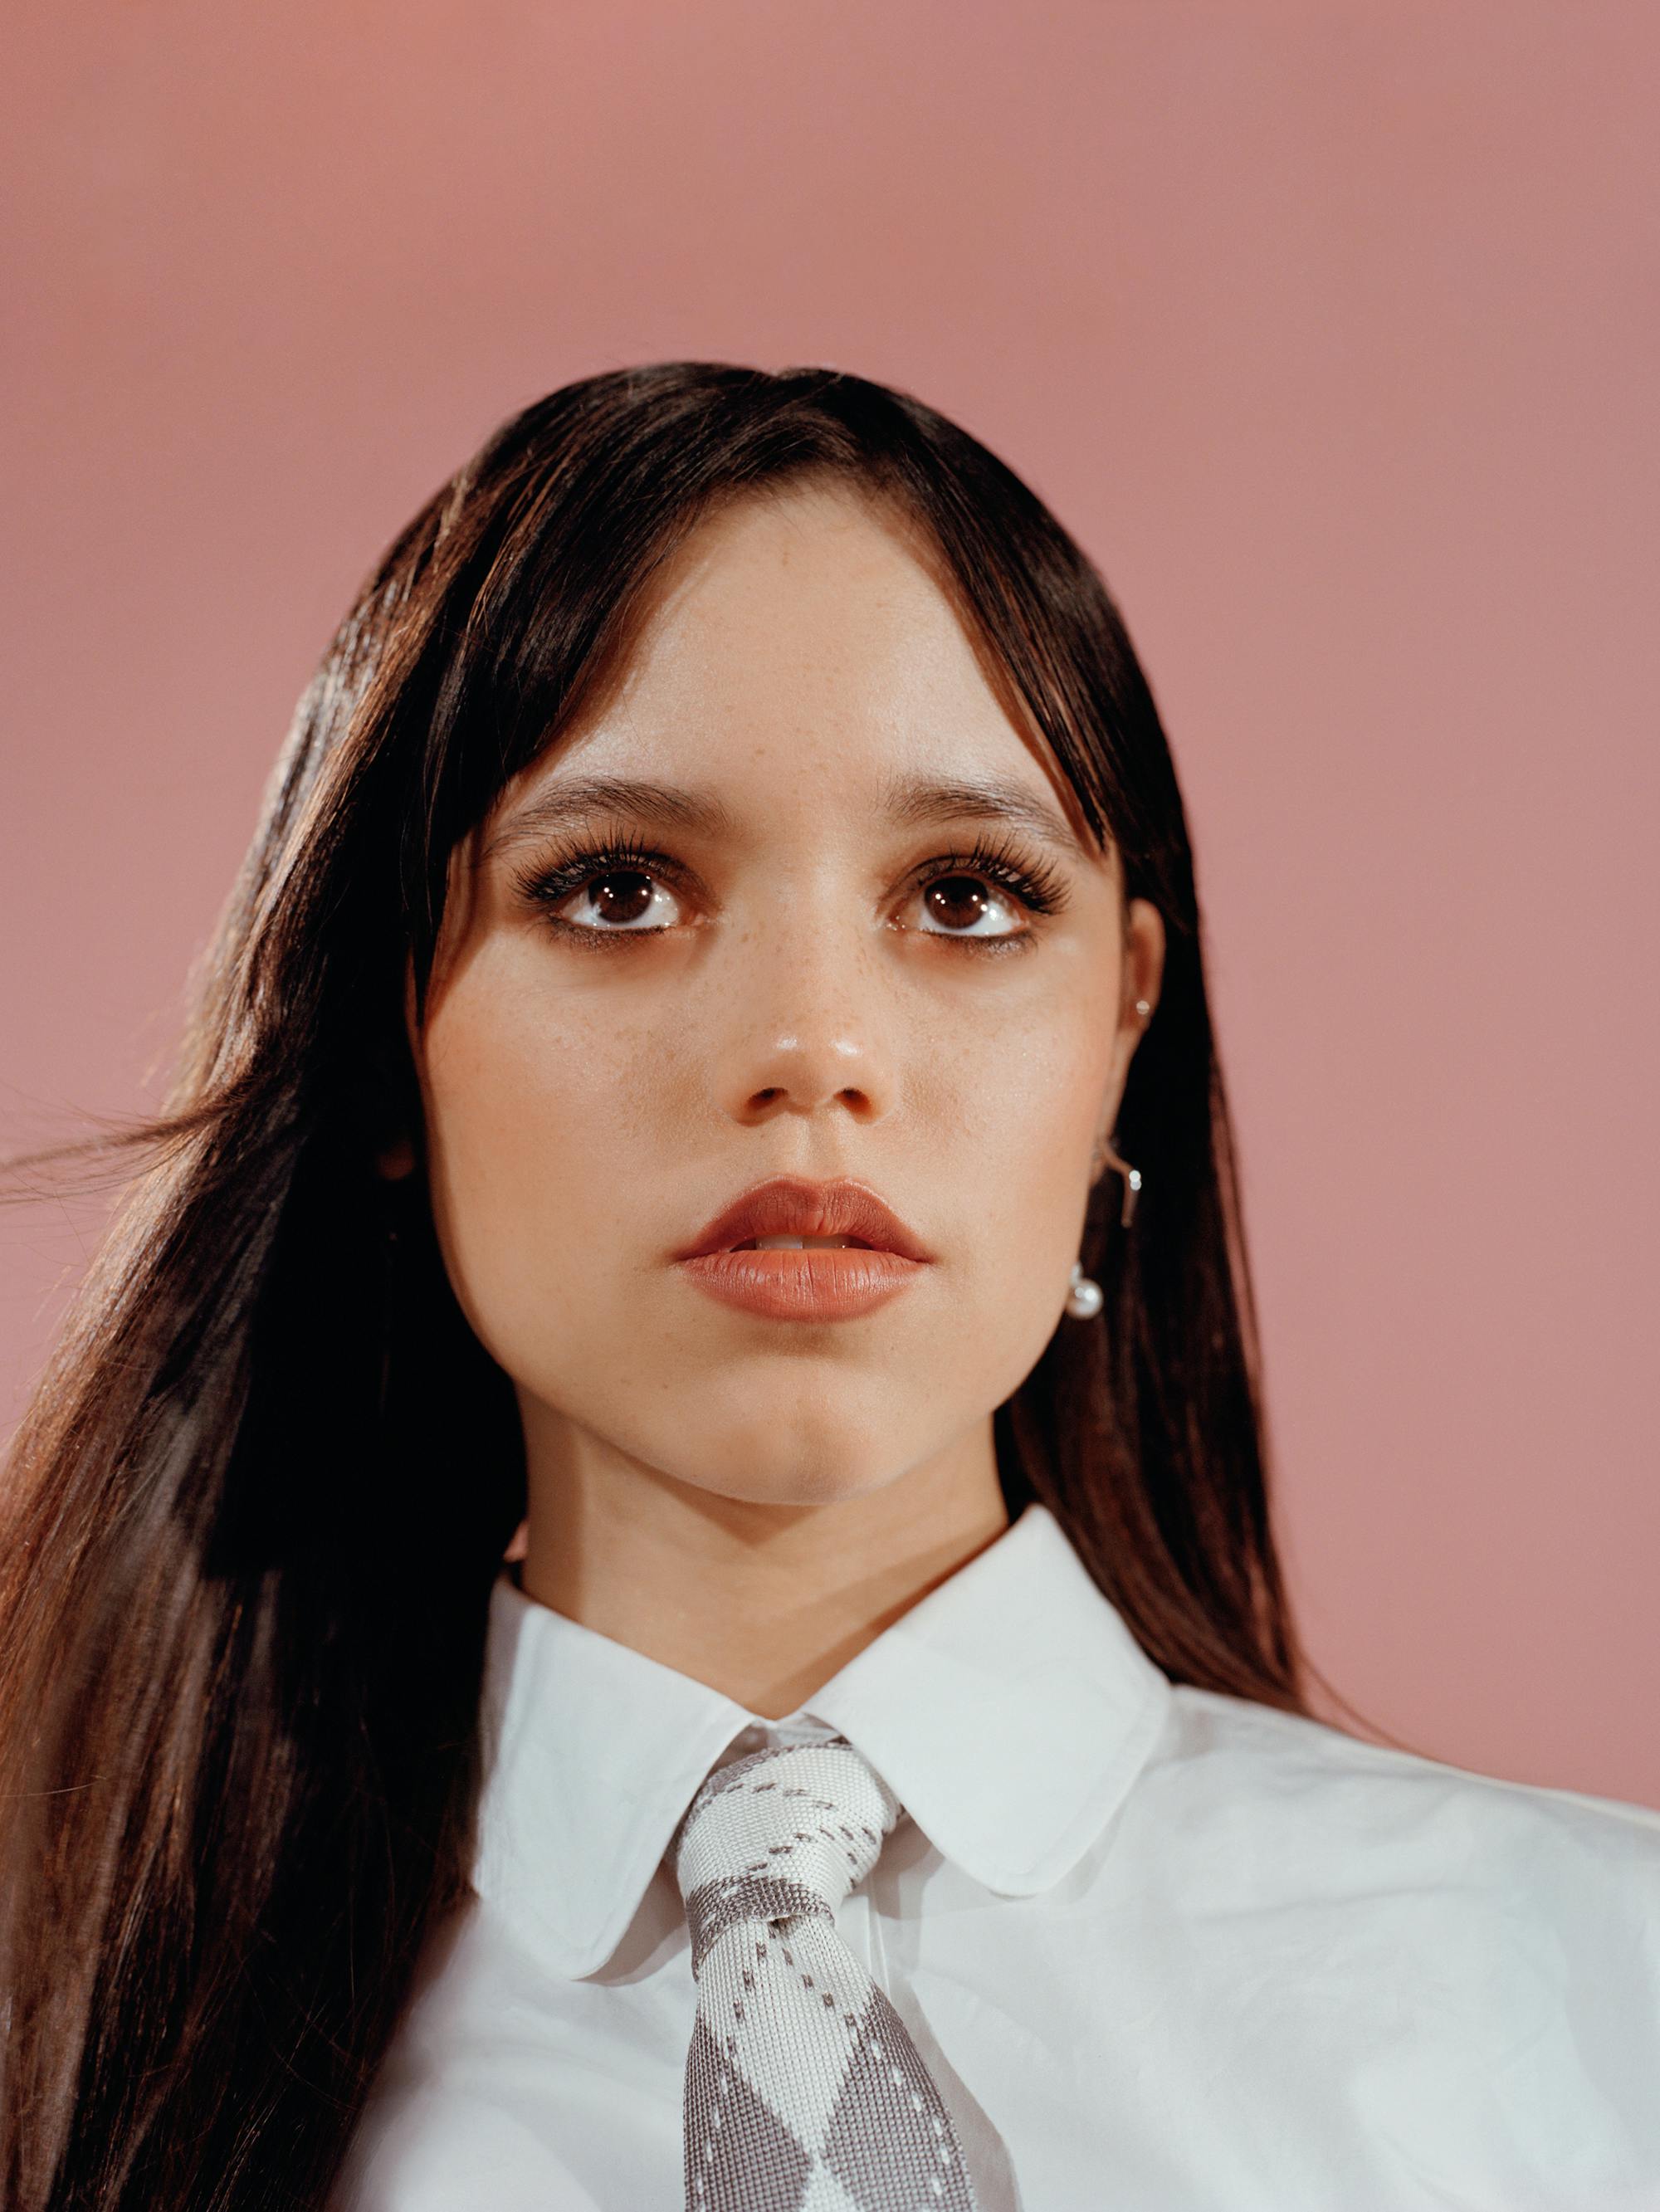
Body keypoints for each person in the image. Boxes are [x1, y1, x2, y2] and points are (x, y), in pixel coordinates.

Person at [1, 364, 1654, 2212]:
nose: (810, 1047)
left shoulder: (1601, 1995)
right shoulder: (71, 2046)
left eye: (963, 897)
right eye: (617, 889)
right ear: (390, 1036)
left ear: (1125, 1013)